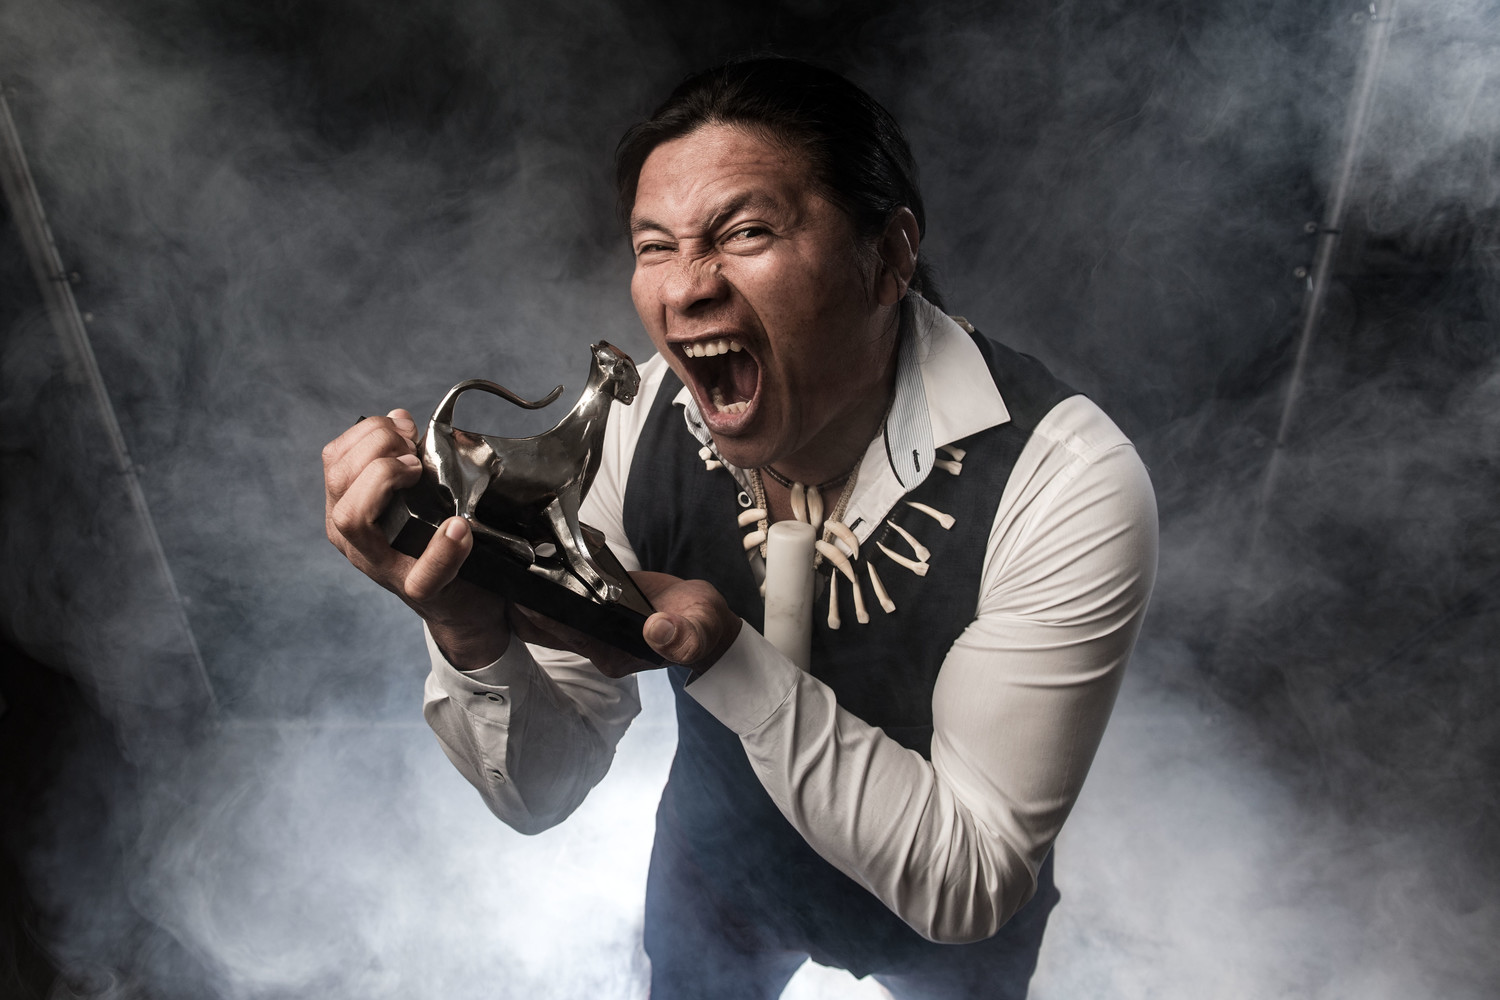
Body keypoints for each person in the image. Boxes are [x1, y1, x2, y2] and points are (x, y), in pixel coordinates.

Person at [322, 58, 1157, 999]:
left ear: (889, 256)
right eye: (654, 246)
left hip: (945, 936)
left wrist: (725, 655)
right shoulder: (638, 426)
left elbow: (967, 878)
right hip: (716, 876)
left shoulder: (1063, 479)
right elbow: (540, 796)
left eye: (746, 232)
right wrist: (472, 631)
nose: (685, 291)